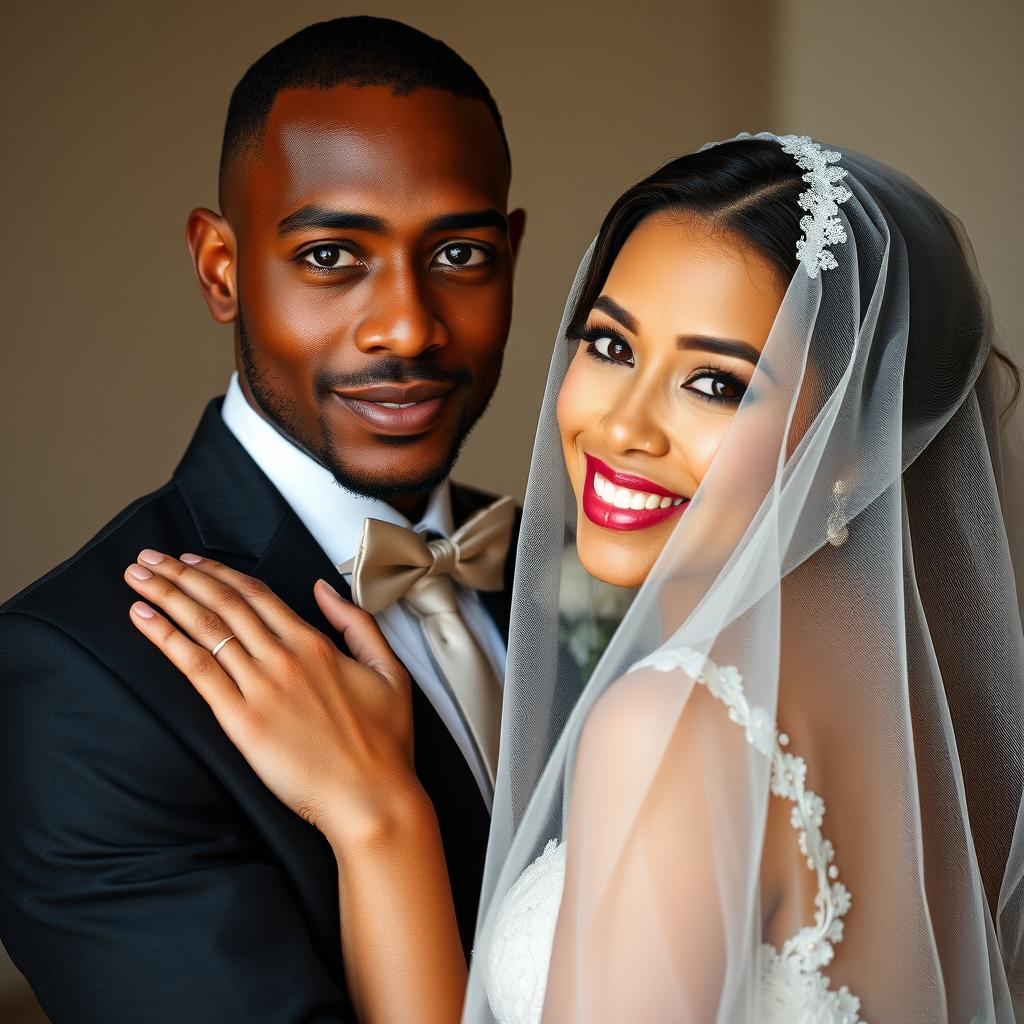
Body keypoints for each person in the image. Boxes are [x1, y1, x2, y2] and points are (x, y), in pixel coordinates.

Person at [120, 134, 1024, 1023]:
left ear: (857, 448)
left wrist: (377, 821)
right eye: (611, 346)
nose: (623, 427)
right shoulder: (952, 714)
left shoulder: (676, 724)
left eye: (715, 385)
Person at [0, 17, 524, 1023]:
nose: (407, 325)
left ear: (511, 253)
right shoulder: (81, 674)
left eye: (458, 251)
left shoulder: (589, 569)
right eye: (332, 255)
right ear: (221, 268)